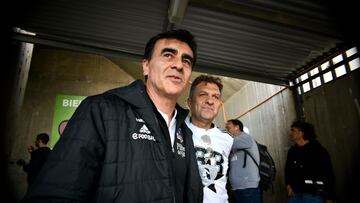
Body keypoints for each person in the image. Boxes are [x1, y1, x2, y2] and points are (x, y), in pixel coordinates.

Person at [24, 29, 203, 203]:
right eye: (168, 55)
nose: (179, 65)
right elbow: (56, 193)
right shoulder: (100, 110)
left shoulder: (184, 129)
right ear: (146, 66)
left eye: (186, 61)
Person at [185, 75, 234, 203]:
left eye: (215, 97)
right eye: (203, 94)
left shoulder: (227, 138)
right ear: (189, 102)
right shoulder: (176, 132)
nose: (210, 101)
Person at [285, 120, 335, 203]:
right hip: (295, 196)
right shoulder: (292, 152)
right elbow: (287, 170)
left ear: (301, 133)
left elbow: (328, 174)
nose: (291, 133)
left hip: (314, 196)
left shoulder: (318, 151)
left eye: (293, 130)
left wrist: (330, 197)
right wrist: (288, 185)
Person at [225, 119, 262, 203]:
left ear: (237, 127)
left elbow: (226, 143)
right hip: (236, 188)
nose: (226, 130)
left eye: (228, 128)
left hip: (248, 189)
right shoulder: (234, 145)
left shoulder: (246, 138)